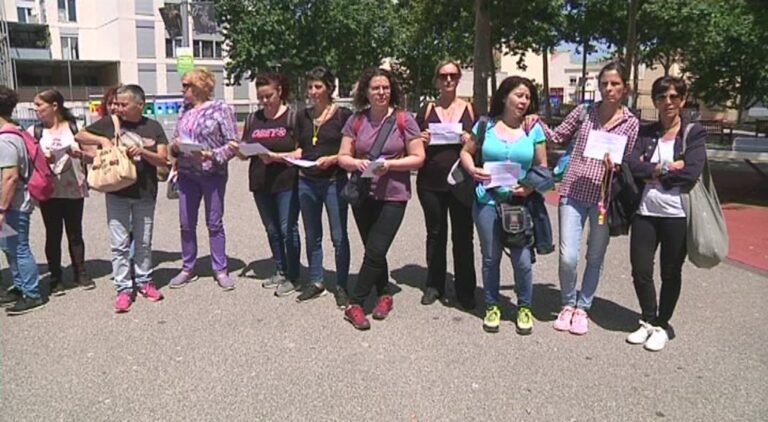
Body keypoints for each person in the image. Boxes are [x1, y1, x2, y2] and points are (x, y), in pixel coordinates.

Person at [540, 62, 639, 335]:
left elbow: (628, 160)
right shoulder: (584, 112)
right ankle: (567, 303)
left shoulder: (631, 123)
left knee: (595, 256)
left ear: (625, 88)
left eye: (615, 84)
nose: (609, 88)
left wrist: (616, 166)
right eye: (605, 83)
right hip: (572, 191)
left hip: (604, 198)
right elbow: (558, 136)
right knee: (568, 256)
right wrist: (534, 122)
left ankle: (583, 306)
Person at [337, 68, 425, 330]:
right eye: (375, 87)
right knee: (374, 250)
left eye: (385, 87)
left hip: (394, 195)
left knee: (376, 249)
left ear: (392, 90)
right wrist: (357, 162)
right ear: (366, 91)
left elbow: (418, 157)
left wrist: (390, 165)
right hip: (364, 193)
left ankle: (355, 302)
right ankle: (385, 293)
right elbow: (343, 156)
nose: (381, 92)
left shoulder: (404, 119)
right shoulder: (356, 121)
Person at [459, 76, 546, 334]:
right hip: (487, 200)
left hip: (519, 203)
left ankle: (525, 307)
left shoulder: (534, 129)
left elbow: (542, 167)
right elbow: (466, 152)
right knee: (490, 257)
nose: (523, 101)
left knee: (522, 260)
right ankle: (492, 305)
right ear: (505, 96)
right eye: (519, 95)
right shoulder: (485, 125)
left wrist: (530, 186)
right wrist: (473, 169)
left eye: (528, 97)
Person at [626, 76, 706, 351]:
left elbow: (692, 172)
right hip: (646, 212)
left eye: (673, 97)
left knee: (670, 272)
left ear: (682, 100)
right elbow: (632, 166)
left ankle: (662, 324)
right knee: (640, 270)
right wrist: (665, 168)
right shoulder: (646, 132)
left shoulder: (693, 133)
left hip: (676, 215)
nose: (668, 102)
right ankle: (648, 318)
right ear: (655, 101)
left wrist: (654, 171)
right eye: (662, 97)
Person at [76, 84, 168, 313]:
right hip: (117, 192)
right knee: (119, 245)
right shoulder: (111, 123)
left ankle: (145, 282)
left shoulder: (153, 126)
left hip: (145, 193)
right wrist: (103, 141)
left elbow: (163, 160)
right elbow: (80, 134)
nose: (119, 108)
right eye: (117, 103)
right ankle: (124, 289)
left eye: (124, 104)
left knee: (144, 243)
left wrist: (143, 152)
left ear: (140, 104)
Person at [167, 67, 238, 291]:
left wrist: (211, 154)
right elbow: (174, 139)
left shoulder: (221, 108)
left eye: (187, 85)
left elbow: (233, 144)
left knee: (214, 222)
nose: (183, 89)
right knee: (186, 223)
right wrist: (176, 146)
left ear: (201, 86)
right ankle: (188, 267)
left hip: (212, 173)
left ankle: (220, 269)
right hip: (187, 174)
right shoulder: (184, 110)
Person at [415, 59, 477, 310]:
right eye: (443, 76)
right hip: (430, 181)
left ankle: (465, 290)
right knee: (435, 234)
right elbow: (413, 143)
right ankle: (434, 285)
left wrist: (470, 140)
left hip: (461, 182)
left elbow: (480, 141)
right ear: (436, 80)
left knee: (463, 236)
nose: (448, 80)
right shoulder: (426, 109)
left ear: (459, 78)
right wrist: (421, 138)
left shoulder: (471, 109)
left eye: (452, 75)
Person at [237, 72, 302, 297]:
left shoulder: (293, 118)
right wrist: (241, 151)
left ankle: (294, 275)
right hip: (260, 181)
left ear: (279, 92)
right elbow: (245, 149)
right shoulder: (253, 119)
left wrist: (276, 157)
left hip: (286, 181)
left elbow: (301, 151)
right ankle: (280, 269)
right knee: (272, 229)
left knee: (287, 229)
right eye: (261, 97)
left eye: (268, 96)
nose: (264, 101)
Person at [293, 67, 353, 306]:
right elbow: (300, 148)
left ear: (329, 88)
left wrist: (334, 158)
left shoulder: (343, 115)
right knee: (312, 235)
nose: (313, 92)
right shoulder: (302, 116)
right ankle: (316, 280)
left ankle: (341, 284)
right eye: (310, 87)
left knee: (339, 237)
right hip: (306, 181)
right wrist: (278, 156)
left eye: (318, 87)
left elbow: (351, 150)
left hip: (333, 182)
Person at [30, 89, 95, 295]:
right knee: (53, 234)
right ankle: (56, 277)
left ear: (54, 106)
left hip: (74, 187)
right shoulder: (35, 131)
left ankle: (80, 272)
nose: (36, 109)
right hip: (49, 189)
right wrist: (43, 159)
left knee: (75, 232)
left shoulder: (76, 128)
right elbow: (28, 160)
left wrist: (81, 154)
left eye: (39, 105)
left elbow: (92, 156)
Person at [0, 85, 45, 315]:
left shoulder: (6, 139)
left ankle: (32, 293)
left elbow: (10, 177)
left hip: (13, 204)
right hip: (11, 204)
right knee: (9, 246)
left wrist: (1, 209)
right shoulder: (14, 132)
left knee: (19, 248)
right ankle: (19, 286)